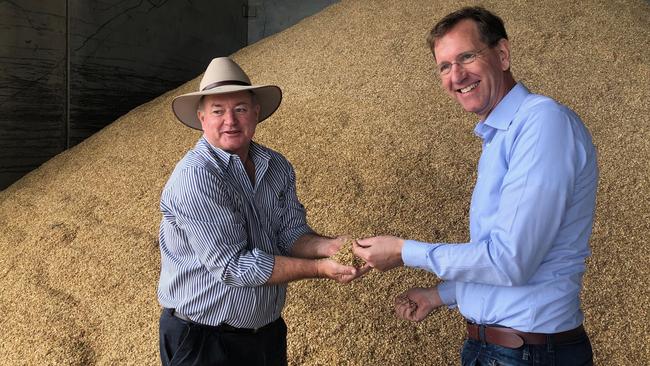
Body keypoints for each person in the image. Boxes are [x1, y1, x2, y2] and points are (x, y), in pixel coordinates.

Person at [353, 6, 598, 366]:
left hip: (529, 353)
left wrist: (404, 252)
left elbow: (510, 261)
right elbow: (503, 257)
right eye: (445, 66)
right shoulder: (499, 135)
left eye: (467, 56)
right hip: (504, 349)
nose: (457, 75)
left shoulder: (542, 123)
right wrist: (441, 295)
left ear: (502, 54)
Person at [157, 57, 365, 366]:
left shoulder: (276, 165)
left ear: (256, 112)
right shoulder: (197, 176)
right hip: (203, 340)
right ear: (202, 118)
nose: (230, 121)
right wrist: (321, 268)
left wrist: (330, 247)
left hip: (265, 335)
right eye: (218, 111)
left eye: (240, 108)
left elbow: (290, 233)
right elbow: (232, 266)